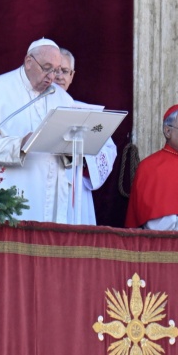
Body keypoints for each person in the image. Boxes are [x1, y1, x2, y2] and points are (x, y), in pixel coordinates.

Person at [0, 37, 76, 223]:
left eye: (56, 70)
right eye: (47, 68)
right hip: (9, 188)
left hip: (48, 193)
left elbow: (70, 145)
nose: (52, 77)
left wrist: (72, 148)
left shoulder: (62, 98)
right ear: (29, 62)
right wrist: (19, 145)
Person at [54, 48, 117, 225]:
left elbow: (108, 150)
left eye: (65, 71)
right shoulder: (32, 110)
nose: (60, 76)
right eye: (55, 70)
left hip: (76, 189)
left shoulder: (86, 112)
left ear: (72, 76)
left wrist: (84, 159)